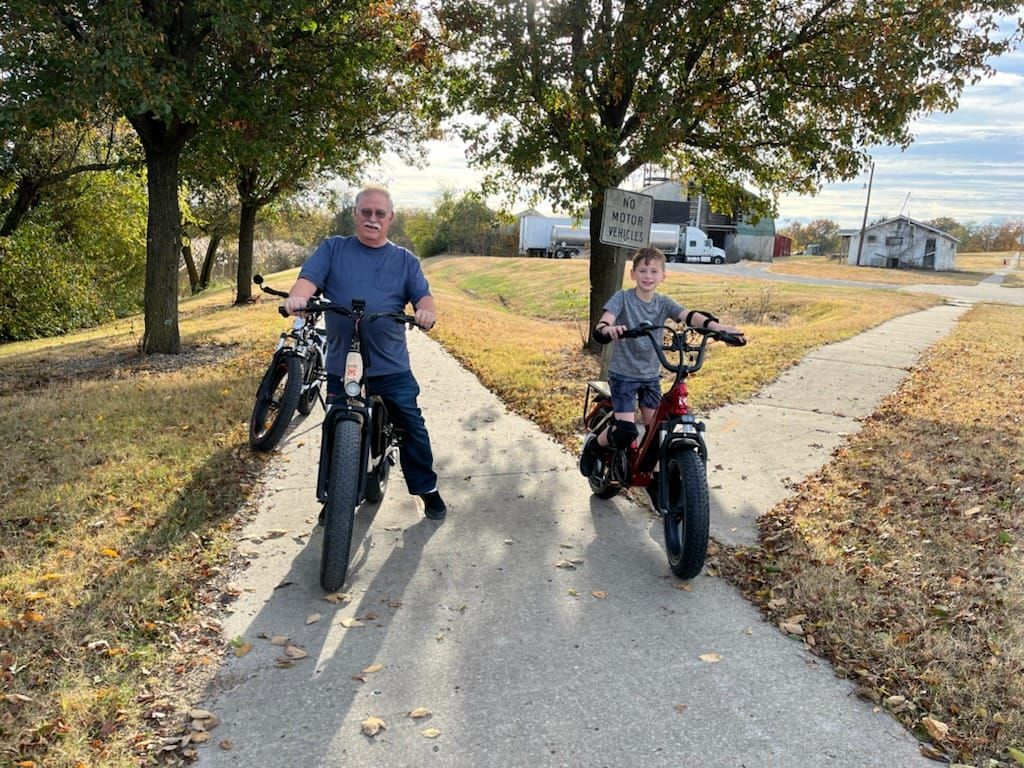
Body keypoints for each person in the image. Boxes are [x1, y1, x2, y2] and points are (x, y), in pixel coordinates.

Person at [284, 185, 447, 520]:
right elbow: (307, 281)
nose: (373, 219)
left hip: (391, 365)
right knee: (335, 424)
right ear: (356, 214)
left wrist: (426, 313)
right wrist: (298, 299)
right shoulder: (333, 249)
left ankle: (426, 488)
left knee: (411, 426)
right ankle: (336, 494)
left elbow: (424, 299)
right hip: (342, 365)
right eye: (366, 212)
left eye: (380, 214)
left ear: (390, 219)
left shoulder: (405, 261)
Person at [579, 246, 745, 480]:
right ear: (633, 274)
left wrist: (718, 328)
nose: (648, 276)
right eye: (643, 270)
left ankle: (656, 480)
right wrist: (608, 329)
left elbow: (688, 316)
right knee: (626, 431)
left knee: (656, 432)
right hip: (624, 375)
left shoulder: (663, 303)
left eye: (654, 271)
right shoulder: (623, 299)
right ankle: (595, 445)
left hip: (649, 376)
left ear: (663, 276)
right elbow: (603, 323)